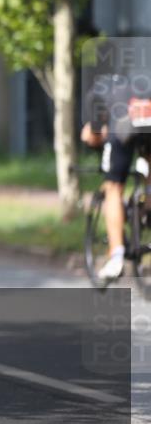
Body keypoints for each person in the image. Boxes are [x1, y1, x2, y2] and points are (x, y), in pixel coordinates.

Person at [80, 72, 151, 281]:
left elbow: (92, 136)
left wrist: (94, 136)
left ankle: (116, 256)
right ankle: (147, 208)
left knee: (113, 187)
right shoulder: (141, 82)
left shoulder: (96, 93)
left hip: (125, 125)